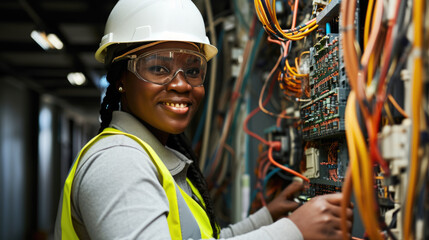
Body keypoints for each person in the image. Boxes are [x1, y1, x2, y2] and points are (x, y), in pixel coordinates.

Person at [54, 0, 353, 239]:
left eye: (193, 69)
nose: (182, 84)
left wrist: (268, 218)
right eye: (158, 68)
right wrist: (293, 231)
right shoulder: (118, 162)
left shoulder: (159, 157)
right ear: (120, 78)